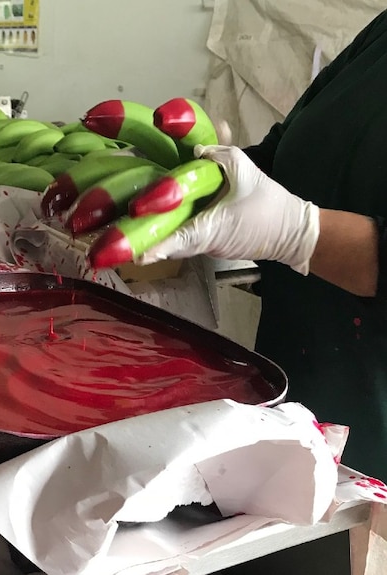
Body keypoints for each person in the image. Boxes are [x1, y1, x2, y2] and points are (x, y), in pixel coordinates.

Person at [70, 9, 387, 575]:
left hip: (374, 439)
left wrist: (299, 232)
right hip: (294, 408)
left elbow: (294, 218)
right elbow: (287, 156)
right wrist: (207, 178)